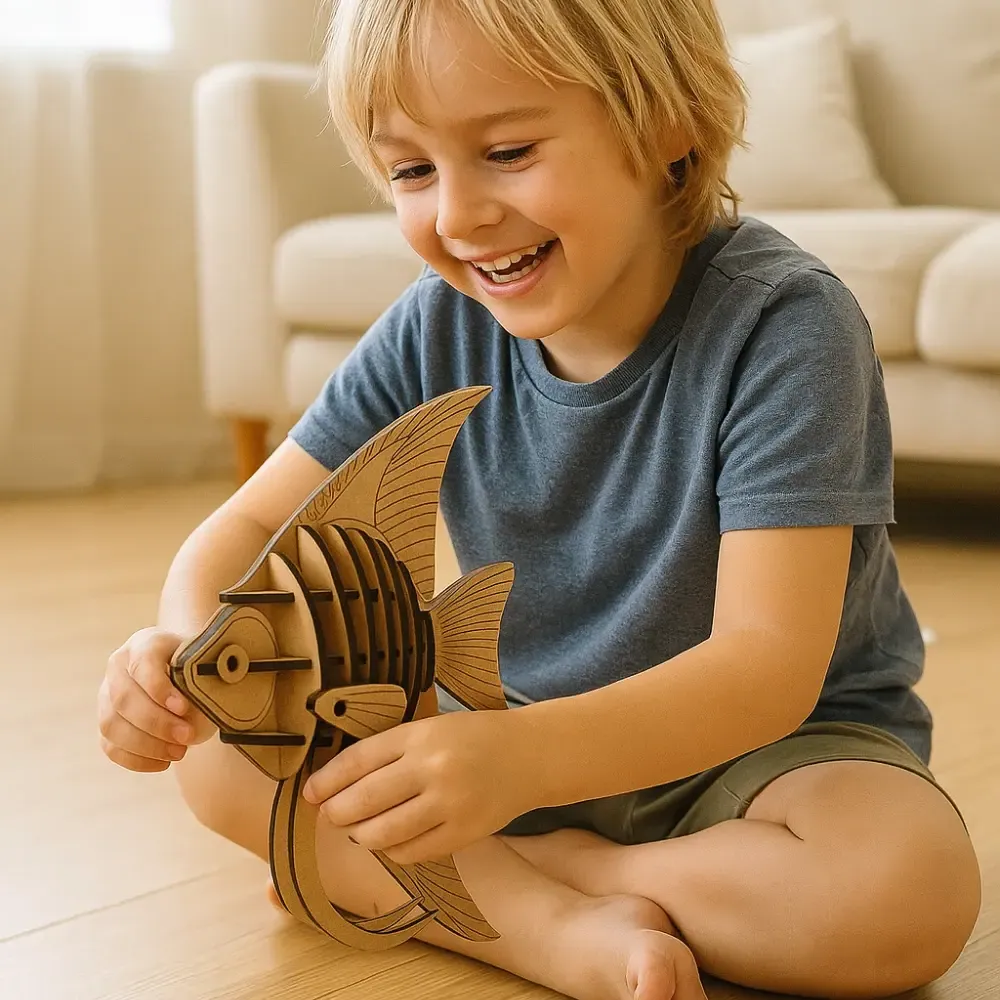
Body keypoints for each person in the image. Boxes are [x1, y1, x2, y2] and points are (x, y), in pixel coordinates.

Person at [96, 1, 982, 997]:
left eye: (507, 150)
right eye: (412, 170)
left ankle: (490, 888)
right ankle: (542, 929)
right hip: (493, 744)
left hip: (763, 758)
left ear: (665, 125)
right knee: (218, 758)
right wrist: (184, 654)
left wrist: (515, 768)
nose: (459, 214)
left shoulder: (784, 323)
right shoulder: (436, 324)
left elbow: (764, 668)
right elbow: (249, 528)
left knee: (904, 889)